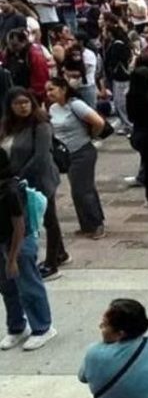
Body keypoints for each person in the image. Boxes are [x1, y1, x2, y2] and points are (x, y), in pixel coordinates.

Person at [1, 87, 66, 281]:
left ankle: (52, 263)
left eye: (25, 102)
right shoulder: (7, 125)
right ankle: (60, 253)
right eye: (17, 104)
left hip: (39, 179)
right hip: (14, 180)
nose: (22, 107)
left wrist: (18, 177)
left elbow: (41, 157)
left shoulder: (40, 125)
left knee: (49, 218)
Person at [0, 147, 56, 351]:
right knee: (7, 288)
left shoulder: (10, 191)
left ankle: (42, 327)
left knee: (29, 286)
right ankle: (16, 327)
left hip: (18, 243)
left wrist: (12, 258)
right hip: (3, 243)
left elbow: (19, 226)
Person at [46, 76, 106, 240]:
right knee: (78, 190)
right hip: (67, 155)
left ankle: (96, 224)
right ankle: (86, 224)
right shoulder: (52, 109)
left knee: (83, 190)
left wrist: (92, 136)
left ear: (63, 89)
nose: (48, 93)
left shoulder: (76, 105)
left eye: (52, 89)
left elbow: (98, 122)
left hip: (83, 151)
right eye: (47, 90)